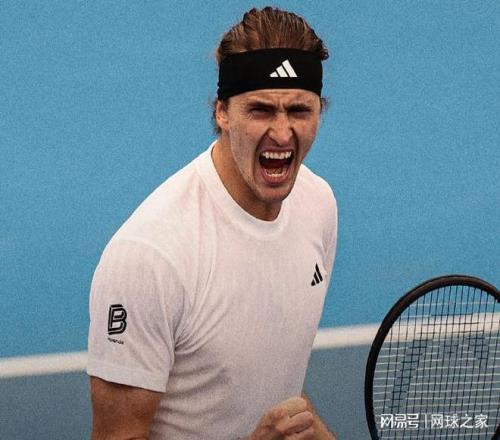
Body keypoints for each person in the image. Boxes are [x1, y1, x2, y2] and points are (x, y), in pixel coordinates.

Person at [87, 6, 338, 440]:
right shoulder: (150, 257)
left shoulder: (318, 205)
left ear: (320, 111)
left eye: (299, 110)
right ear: (222, 112)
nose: (282, 134)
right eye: (260, 110)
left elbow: (272, 386)